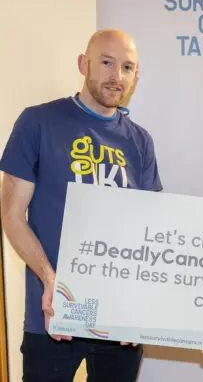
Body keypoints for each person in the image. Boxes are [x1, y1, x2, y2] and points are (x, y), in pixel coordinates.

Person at [0, 28, 162, 381]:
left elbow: (150, 231)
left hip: (119, 322)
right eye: (106, 62)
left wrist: (141, 305)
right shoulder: (38, 122)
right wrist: (49, 279)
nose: (115, 76)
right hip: (53, 315)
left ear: (136, 76)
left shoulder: (140, 142)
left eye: (127, 67)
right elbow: (12, 216)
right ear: (82, 64)